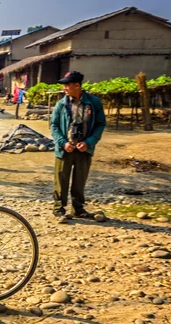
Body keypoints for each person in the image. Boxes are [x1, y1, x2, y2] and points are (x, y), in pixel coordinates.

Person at [51, 71, 106, 220]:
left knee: (80, 180)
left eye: (67, 85)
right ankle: (59, 209)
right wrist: (63, 143)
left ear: (77, 85)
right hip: (65, 149)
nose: (64, 88)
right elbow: (54, 125)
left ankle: (78, 208)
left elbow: (100, 124)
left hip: (84, 149)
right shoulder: (61, 104)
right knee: (61, 179)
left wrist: (89, 143)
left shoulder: (93, 102)